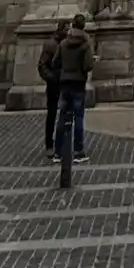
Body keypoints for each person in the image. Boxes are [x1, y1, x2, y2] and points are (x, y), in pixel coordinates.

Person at [52, 13, 94, 162]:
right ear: (83, 26)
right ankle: (78, 151)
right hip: (78, 83)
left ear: (73, 25)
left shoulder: (63, 43)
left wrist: (65, 68)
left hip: (65, 83)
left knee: (63, 116)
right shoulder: (85, 44)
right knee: (78, 117)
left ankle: (58, 152)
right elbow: (88, 66)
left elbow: (55, 62)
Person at [38, 19, 68, 160]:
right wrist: (51, 78)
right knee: (51, 114)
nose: (68, 32)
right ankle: (49, 144)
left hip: (65, 83)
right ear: (60, 30)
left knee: (65, 114)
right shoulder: (51, 44)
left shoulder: (67, 44)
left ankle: (62, 142)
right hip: (54, 84)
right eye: (66, 29)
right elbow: (42, 65)